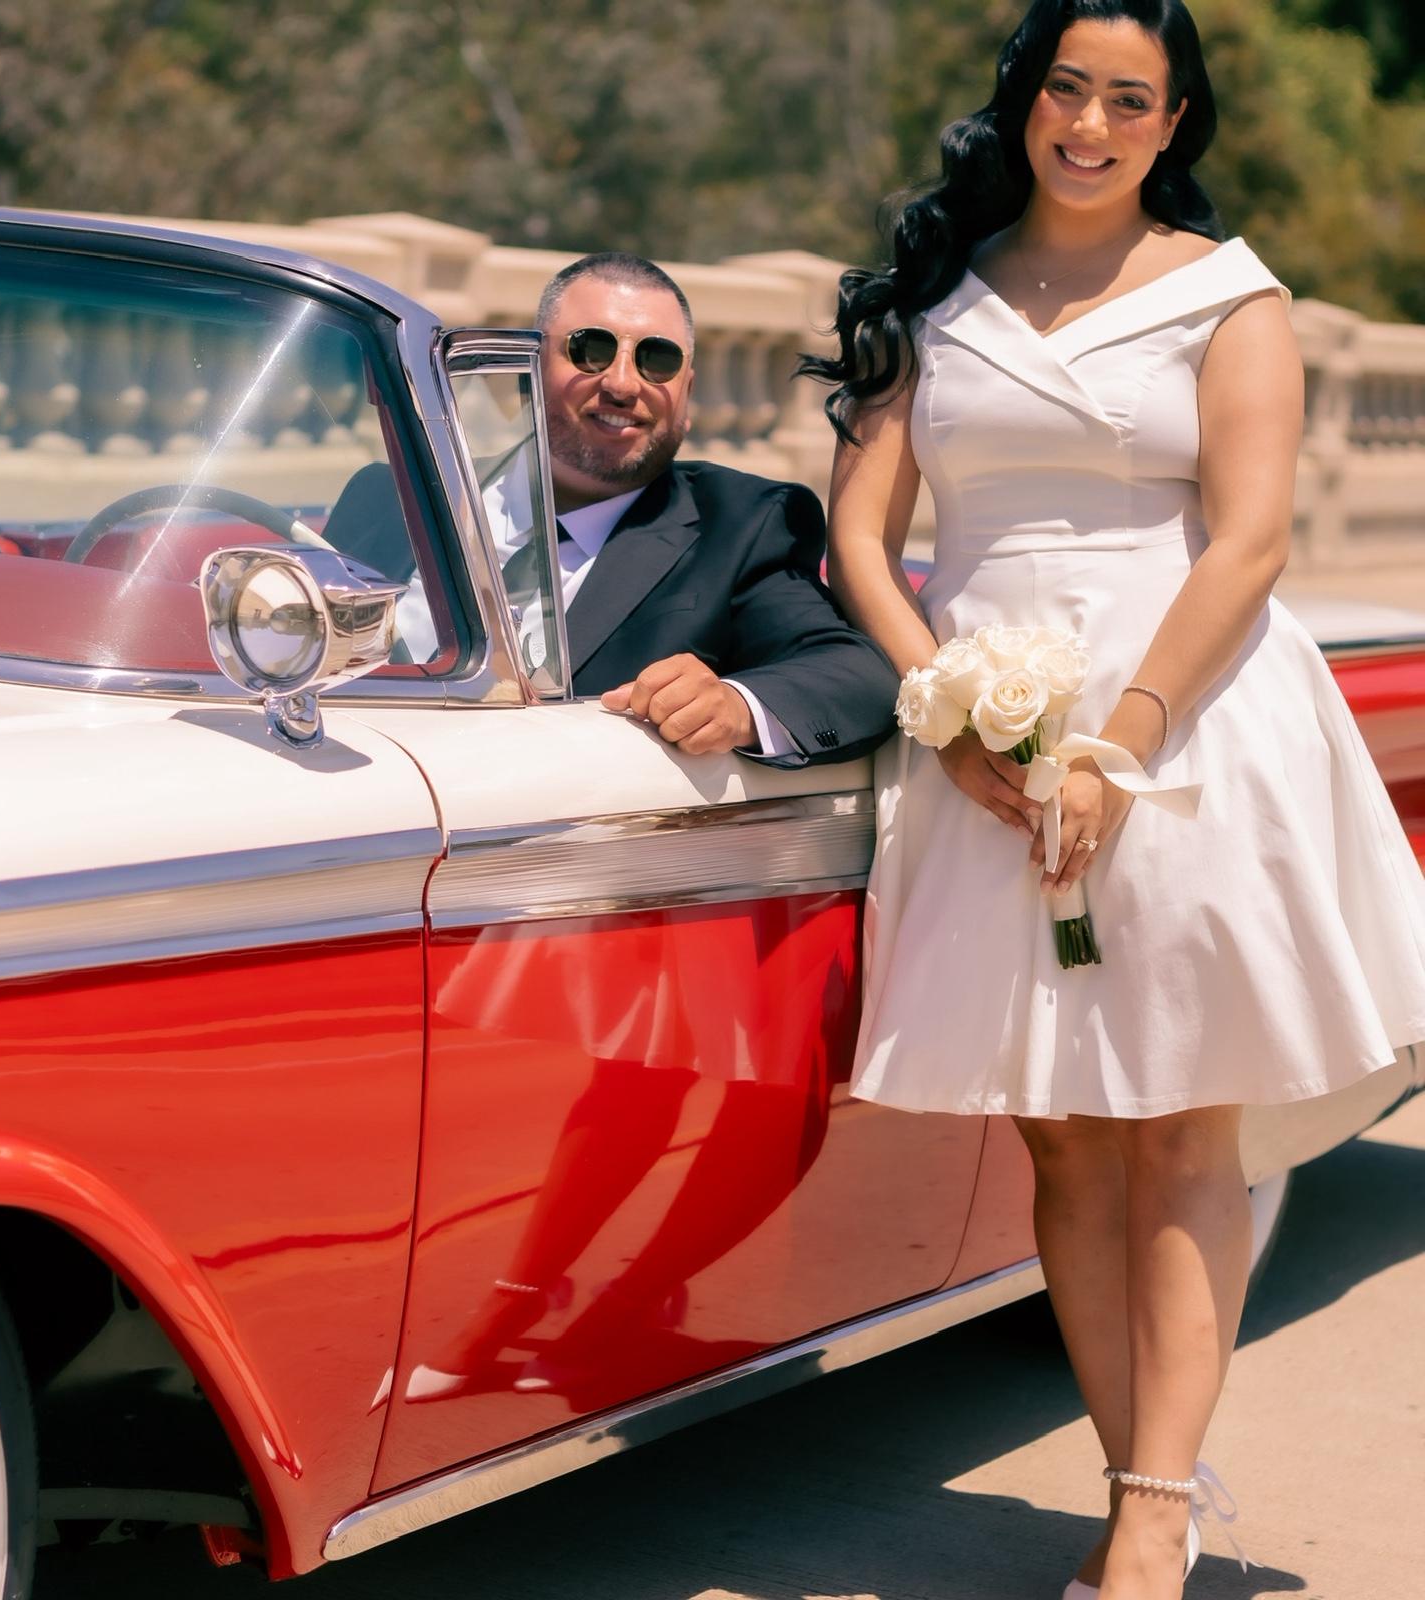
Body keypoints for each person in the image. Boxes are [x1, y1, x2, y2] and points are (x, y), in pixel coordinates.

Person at [804, 3, 1425, 1598]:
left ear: (1174, 121)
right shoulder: (936, 301)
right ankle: (1137, 1472)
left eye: (1128, 100)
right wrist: (944, 710)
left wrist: (1120, 744)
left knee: (1176, 1118)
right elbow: (863, 535)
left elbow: (1250, 540)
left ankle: (1152, 1520)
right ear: (1026, 101)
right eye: (1066, 90)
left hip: (1186, 727)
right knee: (1065, 1141)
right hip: (984, 745)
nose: (1089, 125)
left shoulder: (1233, 298)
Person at [324, 251, 898, 764]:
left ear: (687, 393)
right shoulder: (391, 495)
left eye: (657, 360)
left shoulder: (742, 524)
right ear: (530, 365)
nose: (623, 384)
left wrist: (735, 705)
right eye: (590, 350)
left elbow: (857, 677)